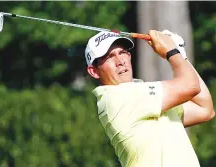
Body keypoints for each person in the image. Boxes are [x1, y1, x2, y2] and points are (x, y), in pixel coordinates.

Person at [84, 30, 215, 167]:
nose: (120, 61)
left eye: (122, 52)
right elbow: (191, 86)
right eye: (109, 56)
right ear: (94, 71)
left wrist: (181, 55)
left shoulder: (146, 97)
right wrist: (172, 52)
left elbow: (205, 109)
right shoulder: (116, 98)